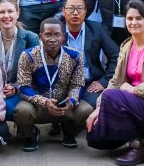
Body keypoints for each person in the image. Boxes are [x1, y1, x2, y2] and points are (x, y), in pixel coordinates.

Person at [85, 1, 144, 165]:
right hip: (130, 101)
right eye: (130, 18)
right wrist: (99, 108)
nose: (134, 22)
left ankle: (140, 145)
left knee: (111, 95)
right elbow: (116, 80)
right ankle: (133, 137)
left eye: (138, 18)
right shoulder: (127, 45)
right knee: (95, 138)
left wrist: (135, 90)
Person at [13, 18, 93, 150]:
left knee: (86, 111)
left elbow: (77, 84)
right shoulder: (28, 55)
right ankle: (30, 135)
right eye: (48, 35)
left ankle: (69, 132)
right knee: (22, 111)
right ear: (40, 36)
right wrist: (45, 102)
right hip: (37, 105)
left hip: (64, 105)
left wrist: (71, 101)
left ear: (63, 36)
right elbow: (23, 87)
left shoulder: (74, 56)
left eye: (57, 35)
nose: (52, 39)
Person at [61, 0, 119, 108]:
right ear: (63, 11)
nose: (75, 13)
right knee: (57, 105)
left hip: (89, 82)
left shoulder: (96, 28)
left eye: (79, 9)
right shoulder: (57, 30)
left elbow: (116, 55)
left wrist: (104, 81)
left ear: (85, 11)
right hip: (62, 84)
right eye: (71, 9)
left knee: (96, 104)